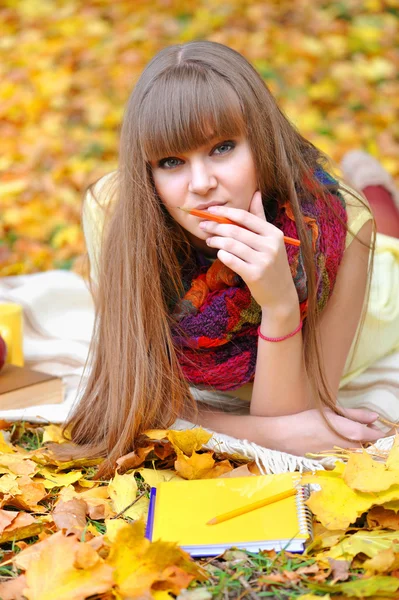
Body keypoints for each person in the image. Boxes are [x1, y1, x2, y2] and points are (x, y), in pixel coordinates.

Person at [62, 41, 399, 478]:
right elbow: (135, 395)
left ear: (260, 140)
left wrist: (278, 302)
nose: (201, 184)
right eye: (171, 161)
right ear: (147, 173)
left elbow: (292, 412)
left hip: (381, 294)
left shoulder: (346, 226)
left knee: (379, 218)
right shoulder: (112, 211)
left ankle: (374, 183)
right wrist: (256, 431)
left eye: (223, 147)